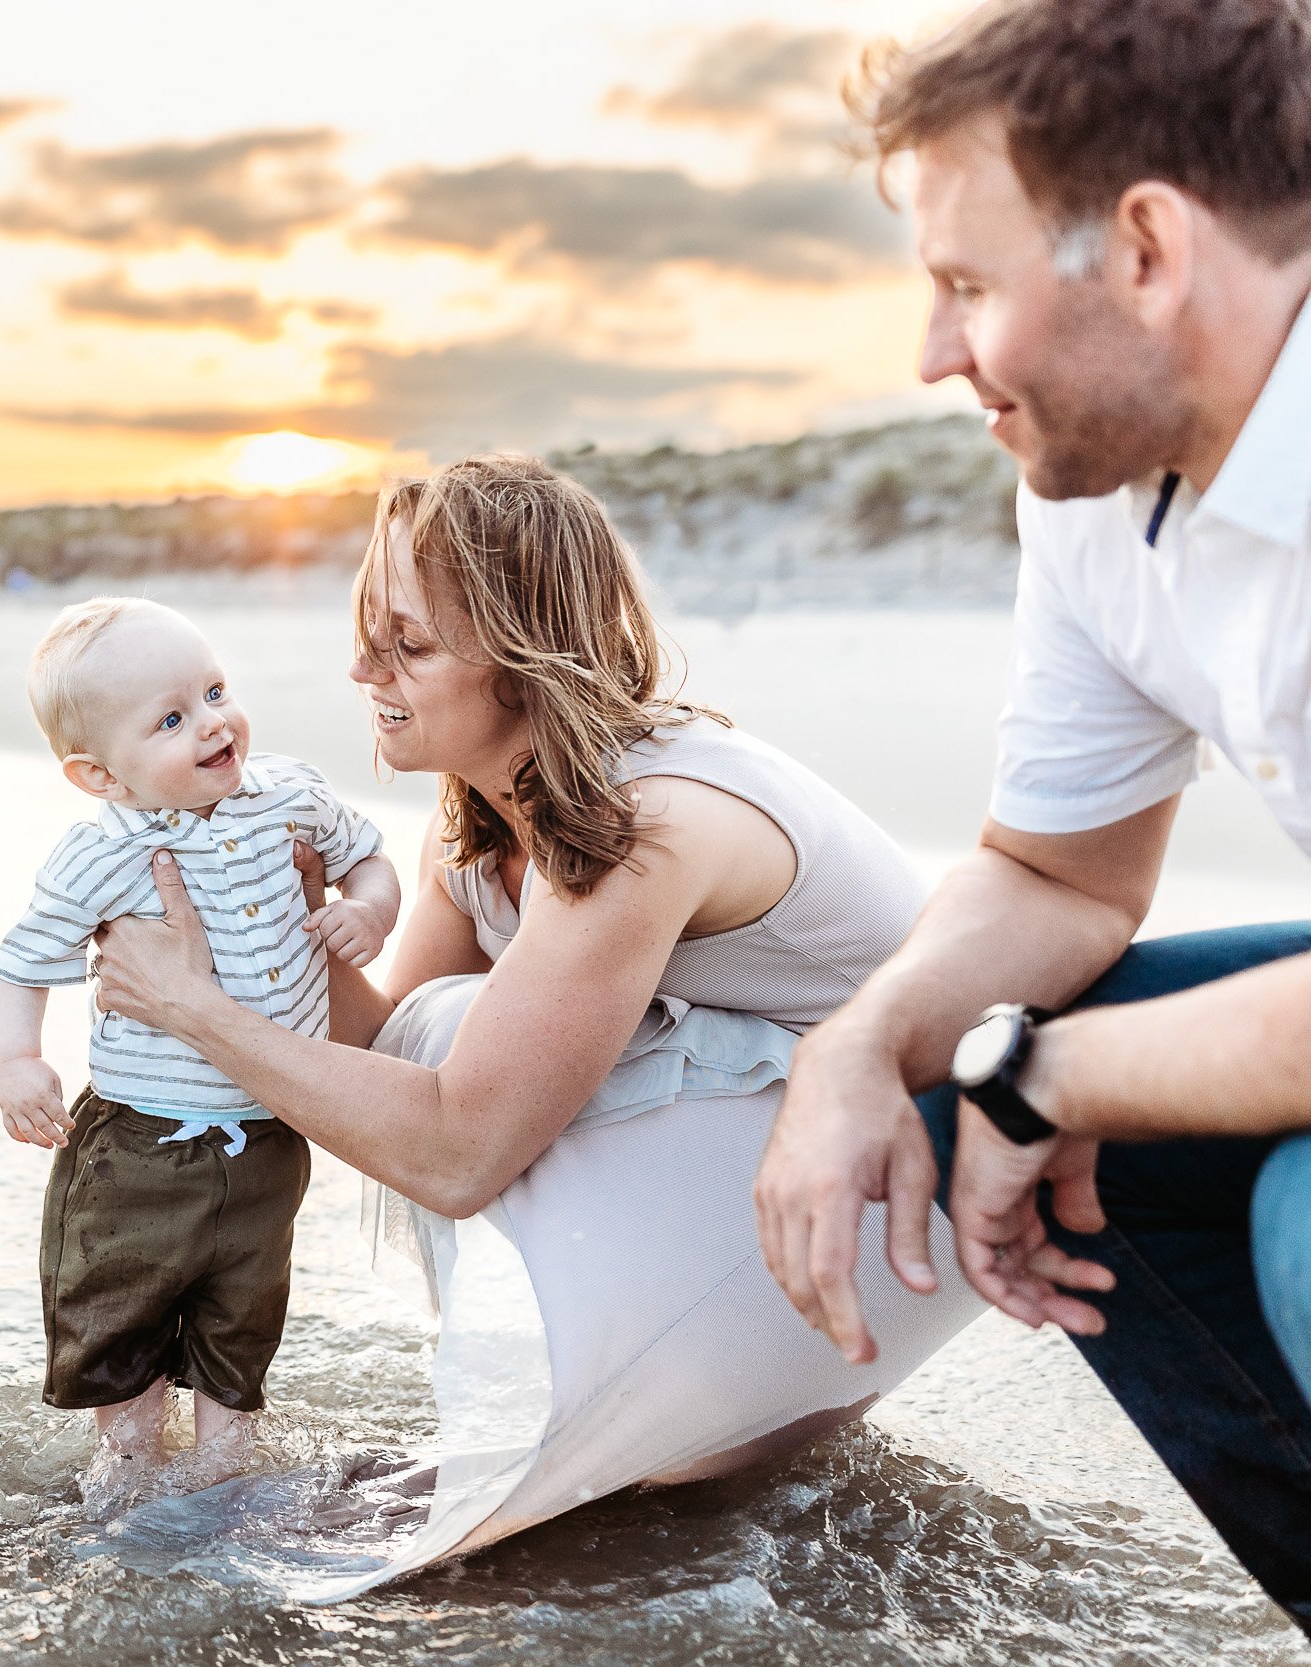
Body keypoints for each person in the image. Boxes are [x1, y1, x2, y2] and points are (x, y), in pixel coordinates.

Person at [87, 456, 982, 1596]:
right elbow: (369, 1048)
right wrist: (269, 925)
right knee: (443, 1028)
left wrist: (193, 1011)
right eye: (366, 631)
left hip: (918, 1184)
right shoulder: (478, 823)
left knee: (469, 1047)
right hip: (791, 1160)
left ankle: (658, 1429)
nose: (362, 667)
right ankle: (672, 1445)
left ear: (521, 656)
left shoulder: (643, 818)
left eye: (405, 642)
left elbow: (455, 1146)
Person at [753, 0, 1311, 1632]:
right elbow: (1058, 874)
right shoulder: (1102, 493)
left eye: (967, 286)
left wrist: (1042, 1069)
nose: (934, 357)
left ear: (1145, 246)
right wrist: (857, 1047)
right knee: (949, 1081)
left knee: (1292, 1215)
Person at [0, 598, 402, 1504]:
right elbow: (23, 963)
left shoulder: (288, 794)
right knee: (122, 1307)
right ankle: (130, 1466)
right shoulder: (101, 855)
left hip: (270, 1127)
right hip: (141, 1141)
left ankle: (221, 1469)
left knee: (243, 1309)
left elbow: (371, 856)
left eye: (214, 691)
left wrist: (367, 908)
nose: (213, 721)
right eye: (173, 719)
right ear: (100, 774)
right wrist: (20, 1061)